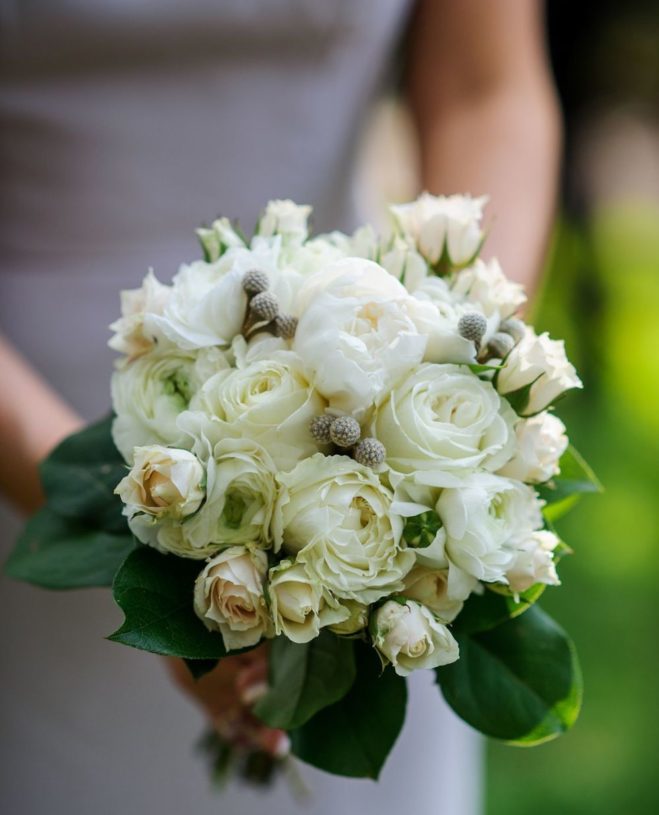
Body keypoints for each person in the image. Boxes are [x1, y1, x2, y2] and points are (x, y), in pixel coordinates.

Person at [0, 1, 560, 813]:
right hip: (38, 429)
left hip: (365, 365)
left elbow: (485, 87)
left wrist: (460, 365)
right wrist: (113, 524)